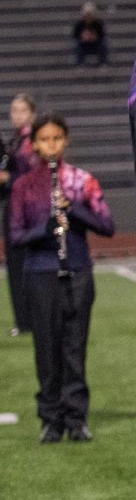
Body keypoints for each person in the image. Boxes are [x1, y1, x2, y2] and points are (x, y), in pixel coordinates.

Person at [9, 113, 114, 442]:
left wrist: (72, 210)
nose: (51, 145)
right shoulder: (23, 186)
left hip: (77, 270)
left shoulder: (81, 180)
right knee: (46, 347)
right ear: (34, 144)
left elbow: (107, 226)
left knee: (74, 347)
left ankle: (76, 417)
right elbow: (15, 236)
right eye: (44, 140)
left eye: (57, 139)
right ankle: (51, 418)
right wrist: (45, 228)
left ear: (65, 140)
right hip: (40, 273)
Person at [1, 93, 37, 336]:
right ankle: (23, 319)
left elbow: (33, 179)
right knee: (15, 266)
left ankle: (28, 320)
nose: (17, 115)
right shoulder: (16, 140)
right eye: (14, 110)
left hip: (26, 213)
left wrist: (7, 179)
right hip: (14, 209)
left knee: (23, 266)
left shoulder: (31, 142)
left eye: (22, 111)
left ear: (32, 114)